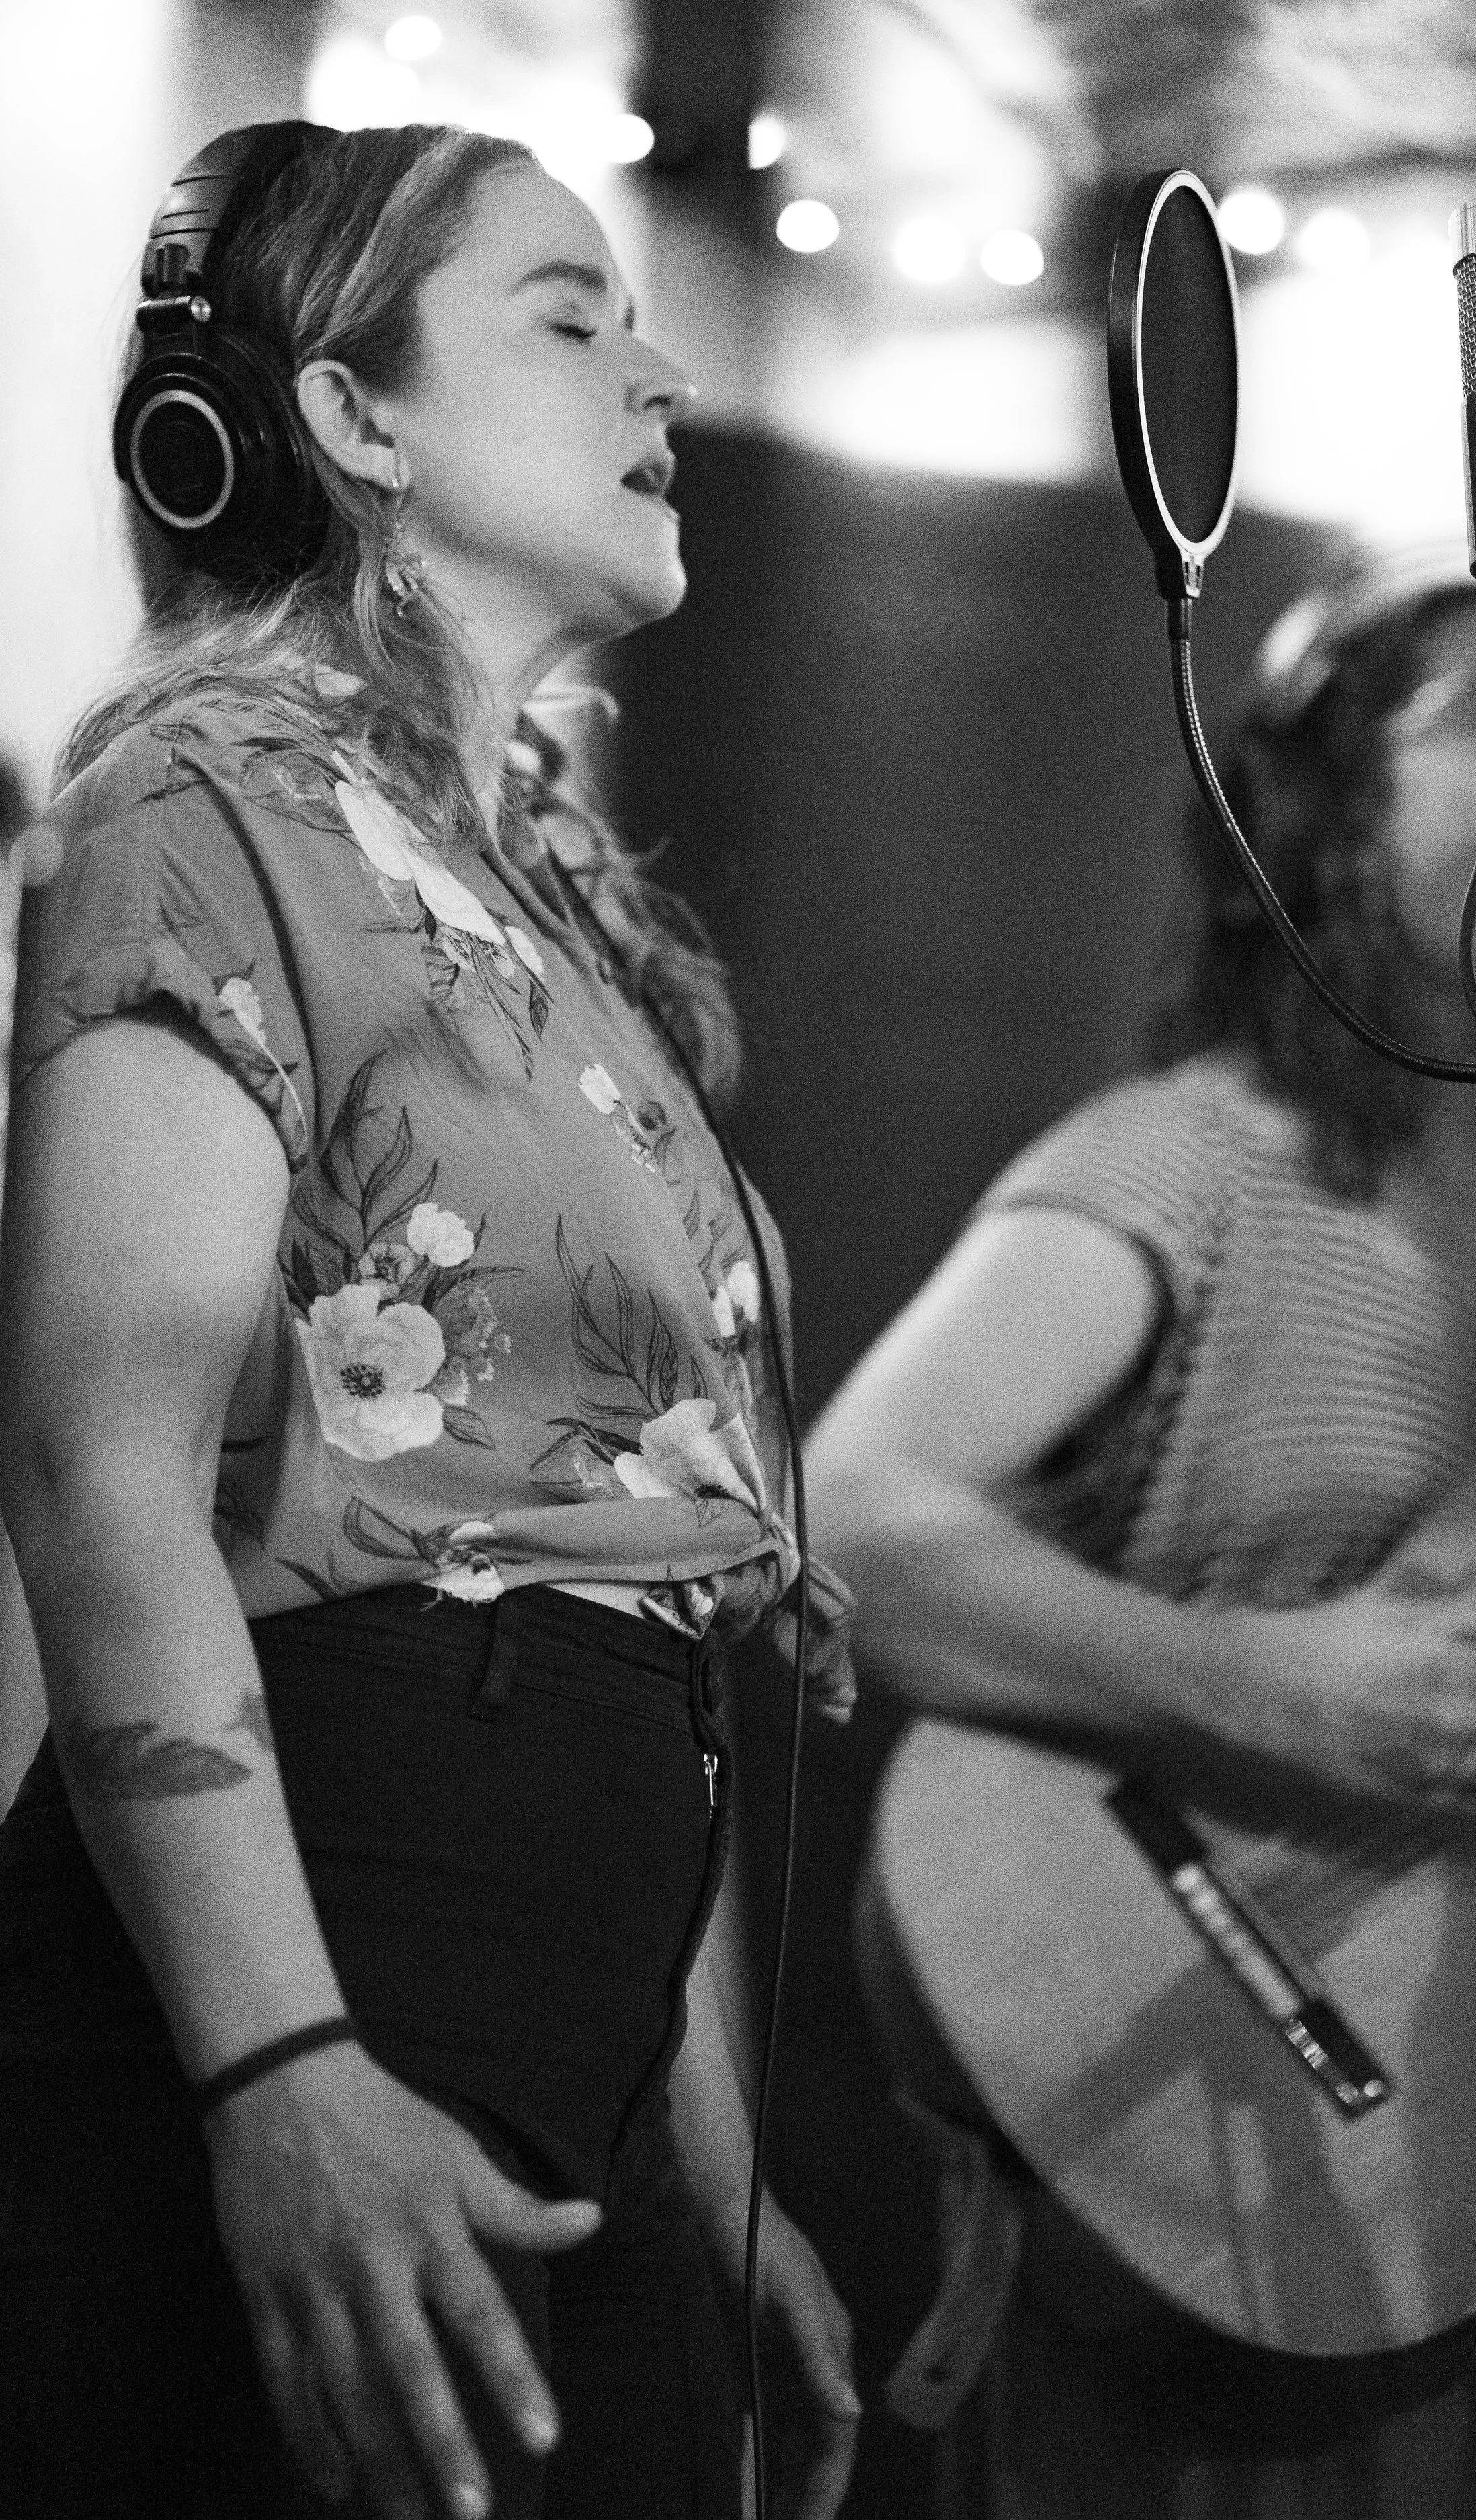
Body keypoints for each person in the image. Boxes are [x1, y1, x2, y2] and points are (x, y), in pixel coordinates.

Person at [0, 120, 859, 2520]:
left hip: (575, 1951)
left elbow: (631, 1602)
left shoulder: (539, 905)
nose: (664, 373)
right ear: (353, 416)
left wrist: (710, 2166)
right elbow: (100, 1462)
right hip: (346, 1902)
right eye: (571, 317)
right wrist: (277, 2074)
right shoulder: (207, 807)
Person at [806, 551, 1476, 2517]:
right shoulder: (1192, 1157)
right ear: (1312, 806)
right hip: (1228, 2185)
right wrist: (1269, 1687)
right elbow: (842, 1511)